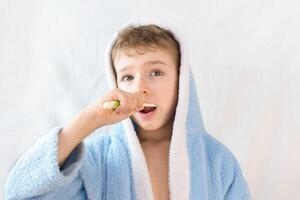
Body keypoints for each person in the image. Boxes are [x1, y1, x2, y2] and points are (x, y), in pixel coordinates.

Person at [5, 19, 251, 200]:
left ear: (182, 82)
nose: (140, 88)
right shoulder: (97, 161)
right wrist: (89, 118)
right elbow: (19, 193)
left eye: (156, 72)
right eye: (127, 77)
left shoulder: (217, 161)